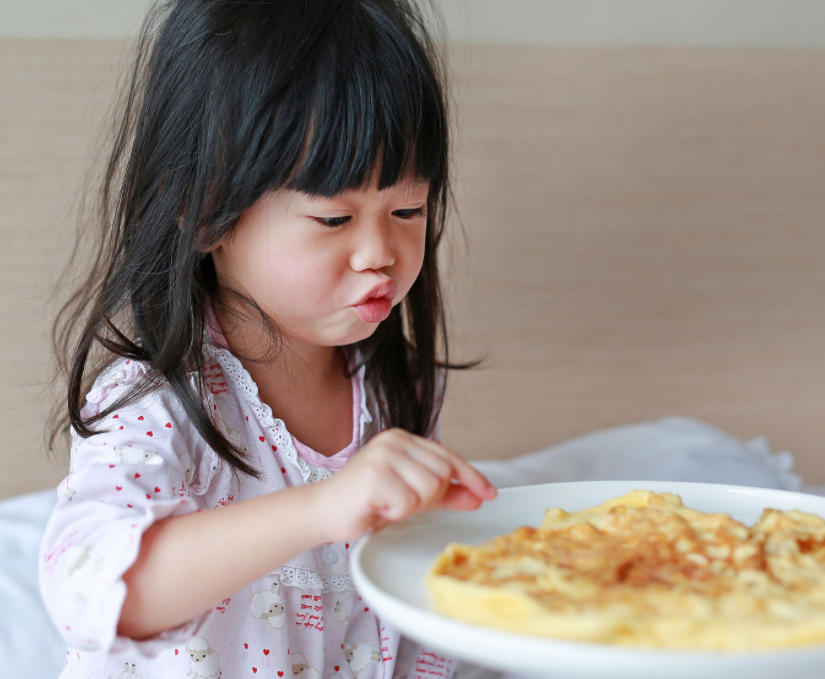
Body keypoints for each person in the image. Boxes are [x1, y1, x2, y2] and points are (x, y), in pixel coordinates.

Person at [39, 1, 496, 677]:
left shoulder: (397, 384)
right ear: (202, 213)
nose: (381, 252)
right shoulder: (155, 404)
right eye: (333, 217)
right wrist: (318, 508)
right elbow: (90, 589)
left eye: (408, 210)